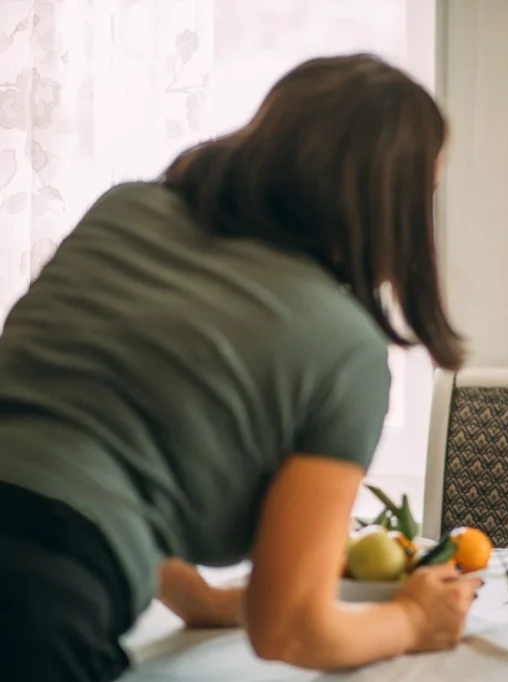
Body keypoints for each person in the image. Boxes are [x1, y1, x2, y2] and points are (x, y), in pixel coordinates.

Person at [0, 54, 482, 681]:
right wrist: (416, 622)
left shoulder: (125, 212)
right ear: (393, 202)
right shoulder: (346, 350)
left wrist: (198, 602)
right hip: (35, 606)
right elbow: (290, 629)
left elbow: (99, 452)